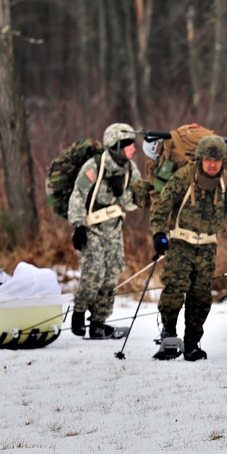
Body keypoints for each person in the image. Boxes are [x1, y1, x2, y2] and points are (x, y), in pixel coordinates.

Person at [149, 135, 227, 361]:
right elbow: (161, 206)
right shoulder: (183, 177)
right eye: (208, 160)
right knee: (175, 289)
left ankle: (192, 342)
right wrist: (158, 233)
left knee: (200, 297)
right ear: (200, 159)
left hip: (207, 247)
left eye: (217, 160)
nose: (213, 164)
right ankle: (168, 335)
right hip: (180, 243)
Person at [68, 122, 142, 339]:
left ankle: (99, 322)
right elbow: (78, 195)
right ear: (115, 145)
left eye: (132, 145)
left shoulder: (131, 170)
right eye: (127, 145)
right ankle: (79, 312)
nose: (132, 149)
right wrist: (78, 225)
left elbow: (133, 204)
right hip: (90, 228)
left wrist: (121, 193)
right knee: (94, 272)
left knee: (111, 274)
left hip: (113, 229)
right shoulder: (94, 167)